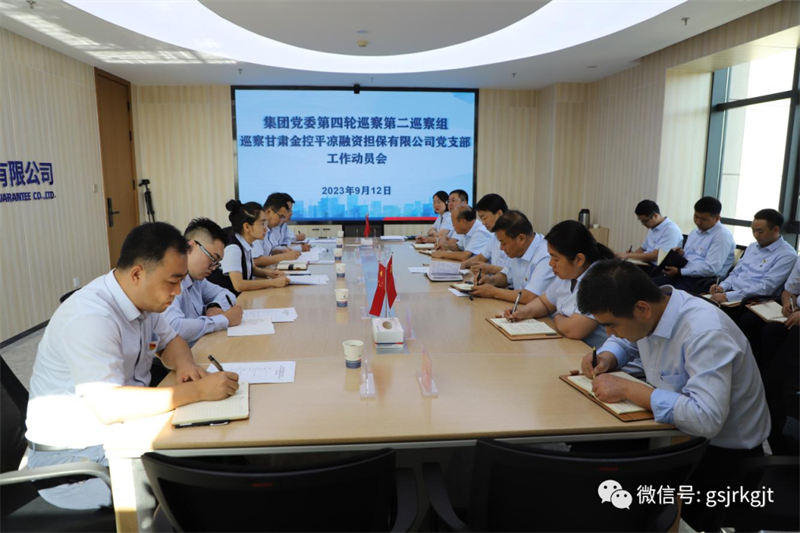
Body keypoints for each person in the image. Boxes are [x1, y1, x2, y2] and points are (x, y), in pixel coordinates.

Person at [25, 222, 240, 510]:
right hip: (76, 462)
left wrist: (186, 365)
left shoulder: (143, 300)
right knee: (198, 482)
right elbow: (110, 406)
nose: (178, 291)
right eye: (172, 281)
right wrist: (198, 391)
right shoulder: (91, 317)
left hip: (121, 433)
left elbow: (171, 340)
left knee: (216, 447)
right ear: (137, 273)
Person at [575, 260, 770, 532]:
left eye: (611, 324)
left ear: (642, 308)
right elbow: (626, 340)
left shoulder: (704, 332)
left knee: (625, 496)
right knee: (590, 457)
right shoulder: (655, 311)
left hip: (723, 455)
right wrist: (608, 356)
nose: (608, 332)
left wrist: (629, 389)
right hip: (674, 434)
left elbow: (706, 418)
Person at [503, 220, 614, 349]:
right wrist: (523, 312)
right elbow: (545, 303)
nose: (550, 263)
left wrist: (557, 317)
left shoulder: (599, 280)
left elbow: (574, 330)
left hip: (594, 353)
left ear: (579, 259)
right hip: (571, 346)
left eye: (555, 258)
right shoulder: (568, 275)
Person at [164, 218, 244, 347]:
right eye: (213, 258)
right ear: (190, 247)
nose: (214, 267)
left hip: (201, 346)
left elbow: (226, 294)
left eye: (217, 262)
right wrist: (224, 320)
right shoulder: (170, 280)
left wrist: (213, 306)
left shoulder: (197, 279)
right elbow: (174, 327)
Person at [707, 209, 796, 304]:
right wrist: (722, 286)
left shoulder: (787, 255)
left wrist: (728, 297)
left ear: (776, 230)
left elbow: (765, 288)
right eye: (753, 230)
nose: (755, 235)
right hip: (730, 294)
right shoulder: (752, 246)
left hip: (750, 301)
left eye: (760, 231)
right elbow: (735, 273)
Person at [652, 196, 735, 292]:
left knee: (662, 295)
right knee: (647, 286)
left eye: (703, 219)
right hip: (683, 274)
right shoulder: (694, 232)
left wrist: (680, 272)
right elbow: (690, 257)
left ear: (717, 218)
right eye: (696, 216)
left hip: (703, 281)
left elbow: (710, 269)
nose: (698, 222)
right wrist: (680, 254)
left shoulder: (722, 236)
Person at [471, 210, 554, 304]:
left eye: (504, 243)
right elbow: (506, 276)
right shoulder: (518, 250)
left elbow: (530, 296)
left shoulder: (546, 256)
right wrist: (490, 280)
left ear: (521, 239)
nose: (501, 248)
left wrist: (493, 292)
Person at [209, 200, 290, 295]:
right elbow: (239, 285)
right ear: (247, 227)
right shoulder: (234, 248)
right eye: (262, 224)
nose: (266, 229)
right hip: (227, 299)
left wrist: (269, 273)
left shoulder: (245, 241)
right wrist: (272, 283)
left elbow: (251, 268)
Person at [616, 199, 683, 265]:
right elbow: (643, 248)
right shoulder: (653, 228)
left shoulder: (671, 230)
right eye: (641, 221)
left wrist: (628, 255)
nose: (643, 224)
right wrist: (633, 254)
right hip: (646, 264)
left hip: (658, 267)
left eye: (645, 221)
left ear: (655, 216)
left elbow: (656, 256)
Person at [461, 193, 509, 275]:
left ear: (499, 214)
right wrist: (463, 265)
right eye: (481, 219)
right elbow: (481, 257)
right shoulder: (495, 237)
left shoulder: (513, 237)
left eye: (484, 218)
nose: (483, 223)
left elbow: (513, 273)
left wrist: (490, 269)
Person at [253, 194, 302, 268]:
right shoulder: (256, 229)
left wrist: (279, 251)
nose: (281, 221)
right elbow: (255, 261)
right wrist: (283, 257)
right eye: (280, 217)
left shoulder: (270, 228)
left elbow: (267, 252)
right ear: (269, 212)